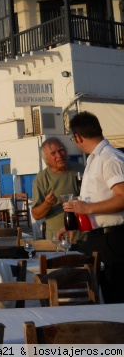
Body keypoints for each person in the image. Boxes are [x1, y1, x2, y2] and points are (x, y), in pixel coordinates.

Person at [63, 111, 124, 304]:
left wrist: (88, 208)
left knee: (117, 299)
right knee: (105, 297)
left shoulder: (110, 158)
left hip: (114, 238)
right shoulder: (93, 159)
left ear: (78, 137)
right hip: (99, 237)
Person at [31, 137, 85, 241]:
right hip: (58, 240)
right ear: (46, 160)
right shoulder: (41, 179)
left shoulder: (80, 169)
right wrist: (47, 203)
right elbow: (36, 215)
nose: (59, 155)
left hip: (85, 237)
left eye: (61, 150)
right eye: (53, 153)